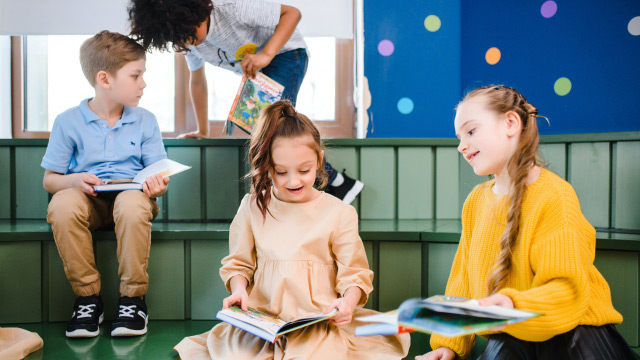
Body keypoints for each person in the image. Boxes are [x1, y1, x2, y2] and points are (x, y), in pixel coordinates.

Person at [173, 100, 409, 359]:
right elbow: (238, 264)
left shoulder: (339, 213)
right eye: (281, 171)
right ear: (266, 166)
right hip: (263, 326)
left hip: (318, 326)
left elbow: (355, 274)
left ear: (319, 160)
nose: (293, 180)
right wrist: (238, 290)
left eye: (304, 170)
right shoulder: (252, 206)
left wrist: (348, 303)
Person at [417, 85, 639, 360]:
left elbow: (567, 290)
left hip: (575, 341)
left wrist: (512, 304)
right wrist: (448, 345)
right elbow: (462, 282)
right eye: (459, 137)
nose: (461, 145)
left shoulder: (555, 195)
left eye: (471, 131)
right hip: (512, 339)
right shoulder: (476, 202)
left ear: (511, 123)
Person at [127, 0, 364, 204]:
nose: (193, 41)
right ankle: (338, 182)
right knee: (264, 130)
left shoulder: (230, 8)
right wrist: (202, 129)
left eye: (192, 32)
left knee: (274, 128)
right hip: (261, 70)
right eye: (183, 39)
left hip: (286, 54)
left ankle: (329, 184)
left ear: (196, 11)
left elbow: (292, 13)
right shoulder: (187, 42)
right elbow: (197, 82)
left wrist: (266, 54)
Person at [41, 31, 170, 338]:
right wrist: (73, 179)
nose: (143, 84)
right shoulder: (67, 121)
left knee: (129, 202)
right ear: (105, 79)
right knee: (61, 204)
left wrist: (158, 186)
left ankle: (133, 299)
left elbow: (160, 175)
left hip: (134, 201)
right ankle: (88, 299)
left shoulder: (146, 120)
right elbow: (50, 180)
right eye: (136, 75)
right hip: (91, 202)